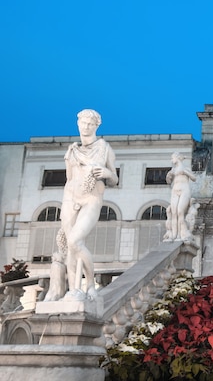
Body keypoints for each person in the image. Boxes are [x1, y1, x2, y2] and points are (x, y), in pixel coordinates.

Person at [60, 109, 118, 301]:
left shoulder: (104, 148)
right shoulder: (72, 150)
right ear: (78, 124)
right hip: (70, 196)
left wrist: (107, 174)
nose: (85, 127)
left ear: (96, 126)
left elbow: (114, 178)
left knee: (75, 241)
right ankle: (73, 290)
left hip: (92, 197)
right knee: (70, 246)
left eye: (89, 124)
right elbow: (69, 178)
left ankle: (91, 285)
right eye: (82, 123)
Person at [165, 152, 196, 241]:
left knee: (180, 212)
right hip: (175, 190)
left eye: (172, 158)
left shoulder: (186, 168)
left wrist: (185, 172)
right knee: (174, 213)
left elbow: (194, 178)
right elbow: (168, 182)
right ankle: (173, 235)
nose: (171, 160)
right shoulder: (173, 170)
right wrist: (168, 176)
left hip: (184, 190)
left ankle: (180, 234)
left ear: (177, 158)